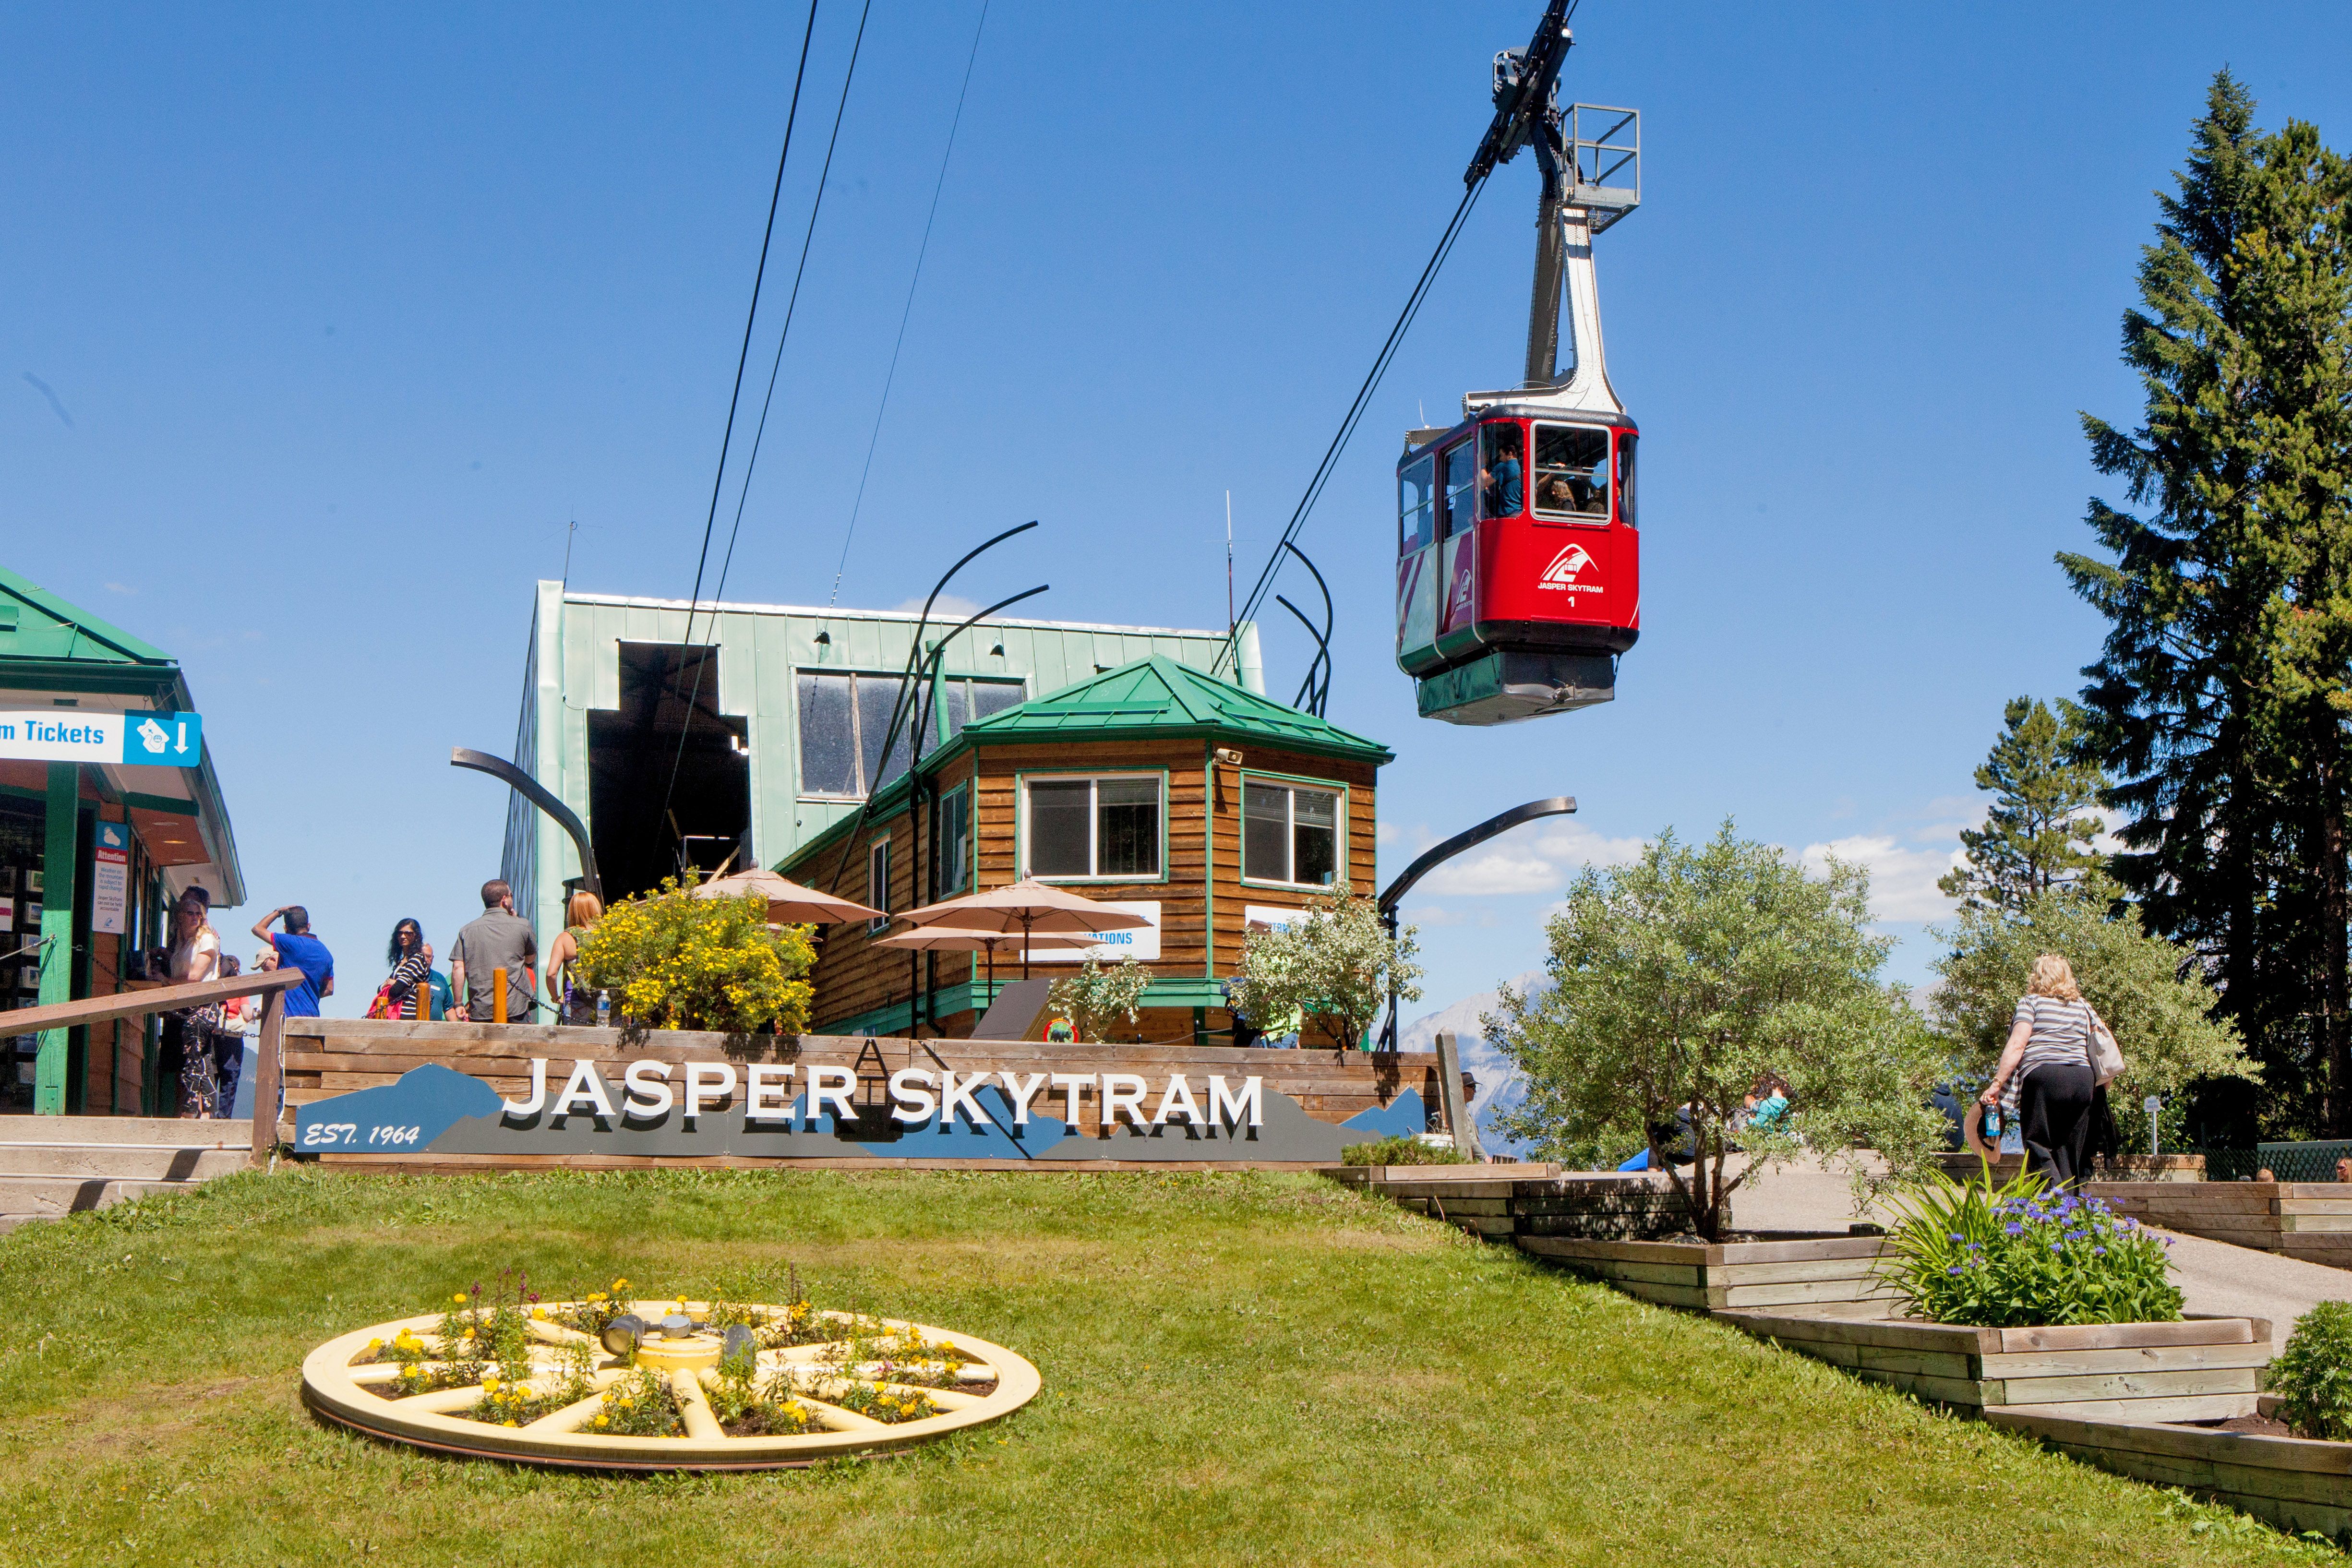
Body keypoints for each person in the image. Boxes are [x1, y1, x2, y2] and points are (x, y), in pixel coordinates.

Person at [1980, 953, 2109, 1191]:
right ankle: (2071, 1213)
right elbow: (2104, 1047)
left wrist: (1997, 1084)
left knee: (2037, 1142)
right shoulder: (2083, 1006)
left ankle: (2053, 1200)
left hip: (2044, 1077)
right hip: (2082, 1079)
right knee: (2071, 1149)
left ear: (2038, 977)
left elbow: (2018, 1045)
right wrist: (2098, 1091)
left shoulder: (2031, 1003)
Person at [161, 886, 222, 1116]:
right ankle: (206, 1113)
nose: (195, 917)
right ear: (179, 915)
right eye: (189, 913)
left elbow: (195, 976)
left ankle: (192, 1112)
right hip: (185, 1009)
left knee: (195, 1061)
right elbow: (183, 965)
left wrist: (166, 981)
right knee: (200, 1062)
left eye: (198, 913)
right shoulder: (183, 942)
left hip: (201, 1008)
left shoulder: (207, 938)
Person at [450, 879, 539, 1023]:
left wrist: (459, 1003)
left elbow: (458, 967)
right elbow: (530, 958)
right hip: (515, 1007)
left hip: (480, 1009)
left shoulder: (466, 931)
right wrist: (515, 921)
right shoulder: (523, 925)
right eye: (511, 895)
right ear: (504, 900)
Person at [251, 905, 335, 1017]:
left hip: (288, 1018)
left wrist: (279, 911)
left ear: (286, 929)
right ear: (309, 926)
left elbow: (258, 929)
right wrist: (308, 995)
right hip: (312, 1019)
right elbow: (330, 989)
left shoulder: (288, 943)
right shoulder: (326, 953)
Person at [543, 890, 603, 1025]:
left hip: (576, 1003)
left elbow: (551, 974)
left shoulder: (565, 937)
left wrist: (555, 997)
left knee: (575, 1044)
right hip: (606, 1001)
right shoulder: (607, 934)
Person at [368, 919, 433, 1020]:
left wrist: (393, 984)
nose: (403, 937)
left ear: (416, 936)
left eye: (408, 934)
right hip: (394, 1015)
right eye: (400, 933)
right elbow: (380, 990)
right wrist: (389, 984)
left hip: (408, 1017)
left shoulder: (417, 959)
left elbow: (396, 990)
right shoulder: (402, 961)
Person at [1480, 435, 1524, 517]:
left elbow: (1485, 482)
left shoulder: (1503, 466)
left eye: (1501, 455)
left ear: (1510, 454)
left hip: (1509, 513)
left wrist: (1482, 464)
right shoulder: (1524, 470)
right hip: (1520, 514)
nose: (1500, 459)